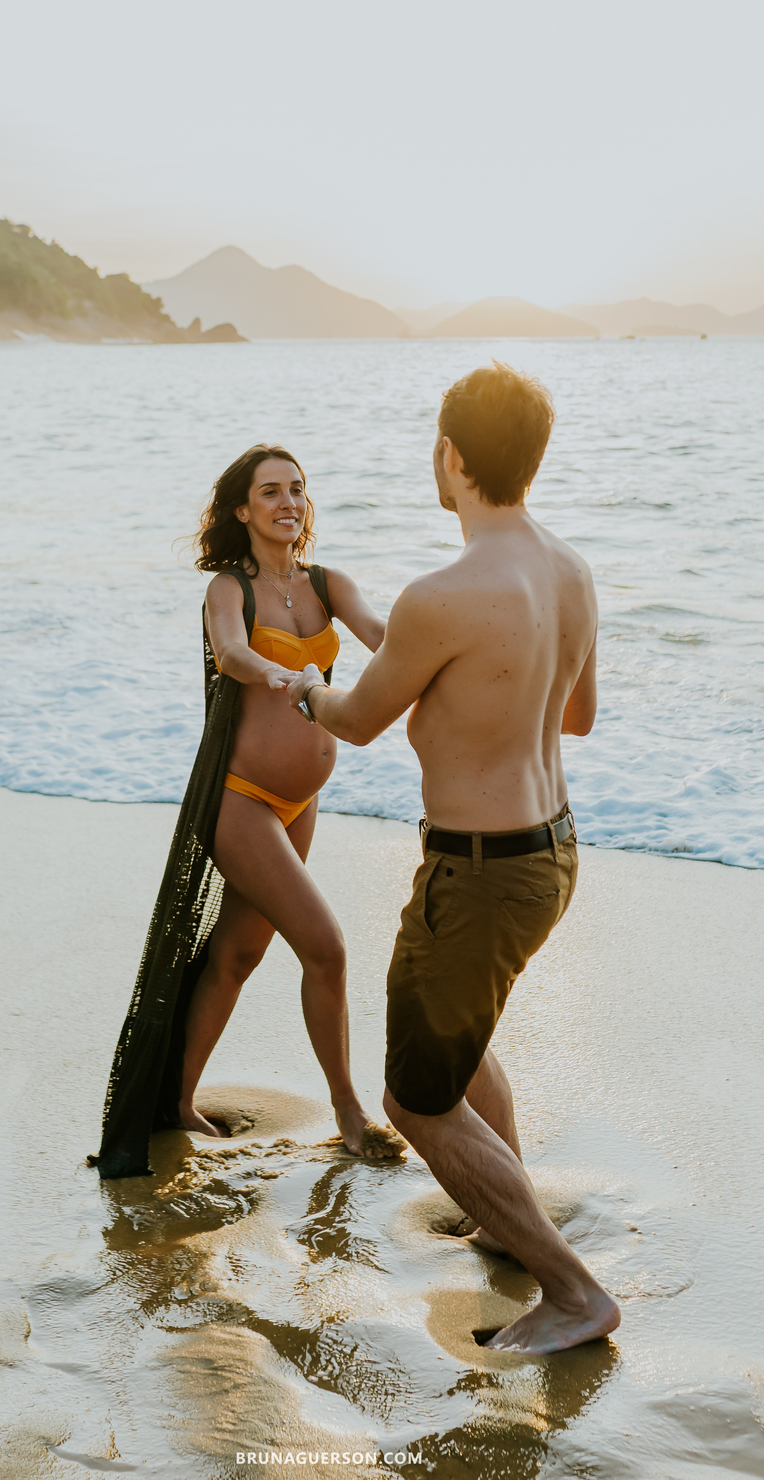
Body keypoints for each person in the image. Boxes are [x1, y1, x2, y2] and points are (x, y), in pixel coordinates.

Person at [285, 363, 621, 1355]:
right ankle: (506, 1228)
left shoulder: (442, 595)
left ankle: (571, 1291)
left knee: (415, 1097)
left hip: (478, 872)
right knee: (461, 1051)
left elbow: (352, 721)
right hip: (551, 852)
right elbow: (580, 715)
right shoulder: (570, 569)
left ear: (450, 456)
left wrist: (300, 687)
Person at [178, 443, 403, 1159]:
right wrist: (289, 673)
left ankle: (177, 1101)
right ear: (242, 509)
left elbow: (383, 637)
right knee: (327, 949)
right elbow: (232, 654)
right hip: (242, 800)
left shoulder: (328, 582)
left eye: (297, 490)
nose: (287, 503)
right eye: (270, 492)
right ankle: (350, 1113)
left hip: (298, 803)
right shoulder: (228, 589)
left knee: (239, 954)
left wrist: (443, 648)